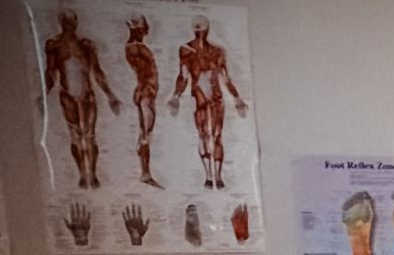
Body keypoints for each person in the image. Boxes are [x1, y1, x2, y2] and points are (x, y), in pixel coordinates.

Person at [41, 10, 122, 189]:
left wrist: (110, 95)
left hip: (87, 94)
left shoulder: (86, 45)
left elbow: (97, 71)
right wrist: (43, 95)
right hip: (67, 94)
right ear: (60, 22)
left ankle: (92, 174)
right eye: (65, 21)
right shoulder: (54, 45)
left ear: (76, 22)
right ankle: (82, 175)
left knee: (90, 136)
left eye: (71, 21)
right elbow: (50, 72)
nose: (69, 24)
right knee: (76, 136)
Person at [167, 15, 248, 189]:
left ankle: (216, 176)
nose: (201, 33)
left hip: (214, 99)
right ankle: (210, 176)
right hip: (200, 99)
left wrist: (237, 98)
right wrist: (176, 96)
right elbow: (183, 76)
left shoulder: (217, 51)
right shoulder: (186, 50)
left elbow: (226, 79)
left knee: (215, 135)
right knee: (205, 135)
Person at [124, 15, 162, 187]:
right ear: (138, 28)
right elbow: (143, 70)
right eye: (144, 26)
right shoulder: (135, 47)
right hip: (146, 92)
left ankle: (145, 172)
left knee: (145, 133)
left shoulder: (136, 47)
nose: (147, 29)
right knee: (146, 135)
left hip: (147, 92)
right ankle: (145, 173)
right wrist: (146, 88)